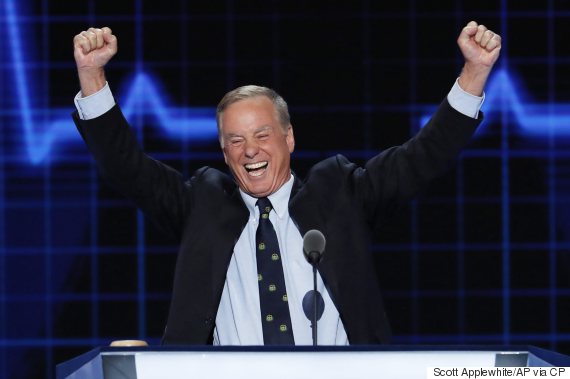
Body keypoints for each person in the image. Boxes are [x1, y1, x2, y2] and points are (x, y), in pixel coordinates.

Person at [72, 21, 501, 345]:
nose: (250, 151)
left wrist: (474, 74)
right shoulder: (200, 203)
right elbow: (125, 167)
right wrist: (92, 77)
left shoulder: (340, 192)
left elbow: (421, 159)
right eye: (235, 141)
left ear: (289, 138)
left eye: (262, 135)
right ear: (224, 153)